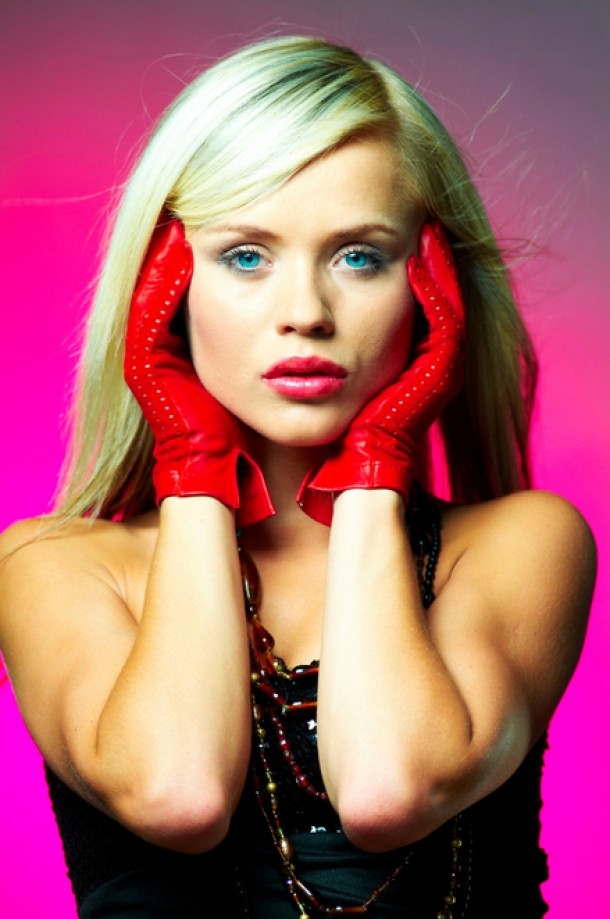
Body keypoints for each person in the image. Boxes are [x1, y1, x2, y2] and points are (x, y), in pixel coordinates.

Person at [0, 34, 596, 919]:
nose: (306, 313)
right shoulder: (50, 567)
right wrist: (193, 461)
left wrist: (375, 462)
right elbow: (177, 794)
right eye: (246, 255)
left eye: (359, 255)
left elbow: (391, 788)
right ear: (162, 288)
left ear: (431, 285)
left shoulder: (523, 543)